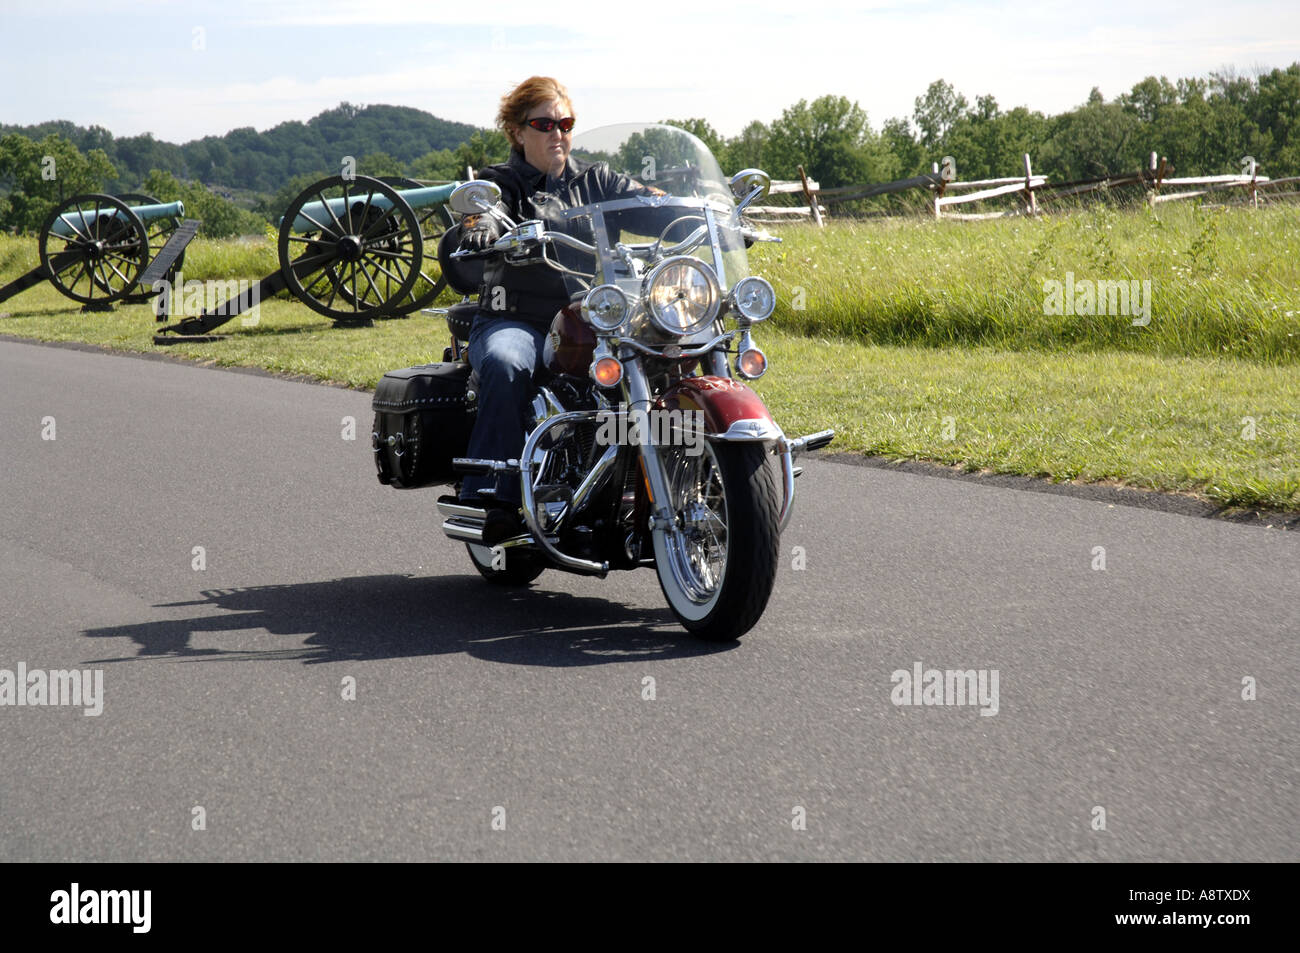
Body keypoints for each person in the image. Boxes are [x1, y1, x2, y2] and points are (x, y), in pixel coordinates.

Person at [455, 77, 663, 543]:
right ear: (517, 131)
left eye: (565, 123)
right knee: (507, 364)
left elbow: (649, 205)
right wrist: (481, 224)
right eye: (544, 123)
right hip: (519, 318)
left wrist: (704, 213)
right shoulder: (498, 183)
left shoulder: (597, 179)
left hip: (596, 317)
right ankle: (495, 496)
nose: (558, 133)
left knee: (672, 354)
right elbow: (479, 211)